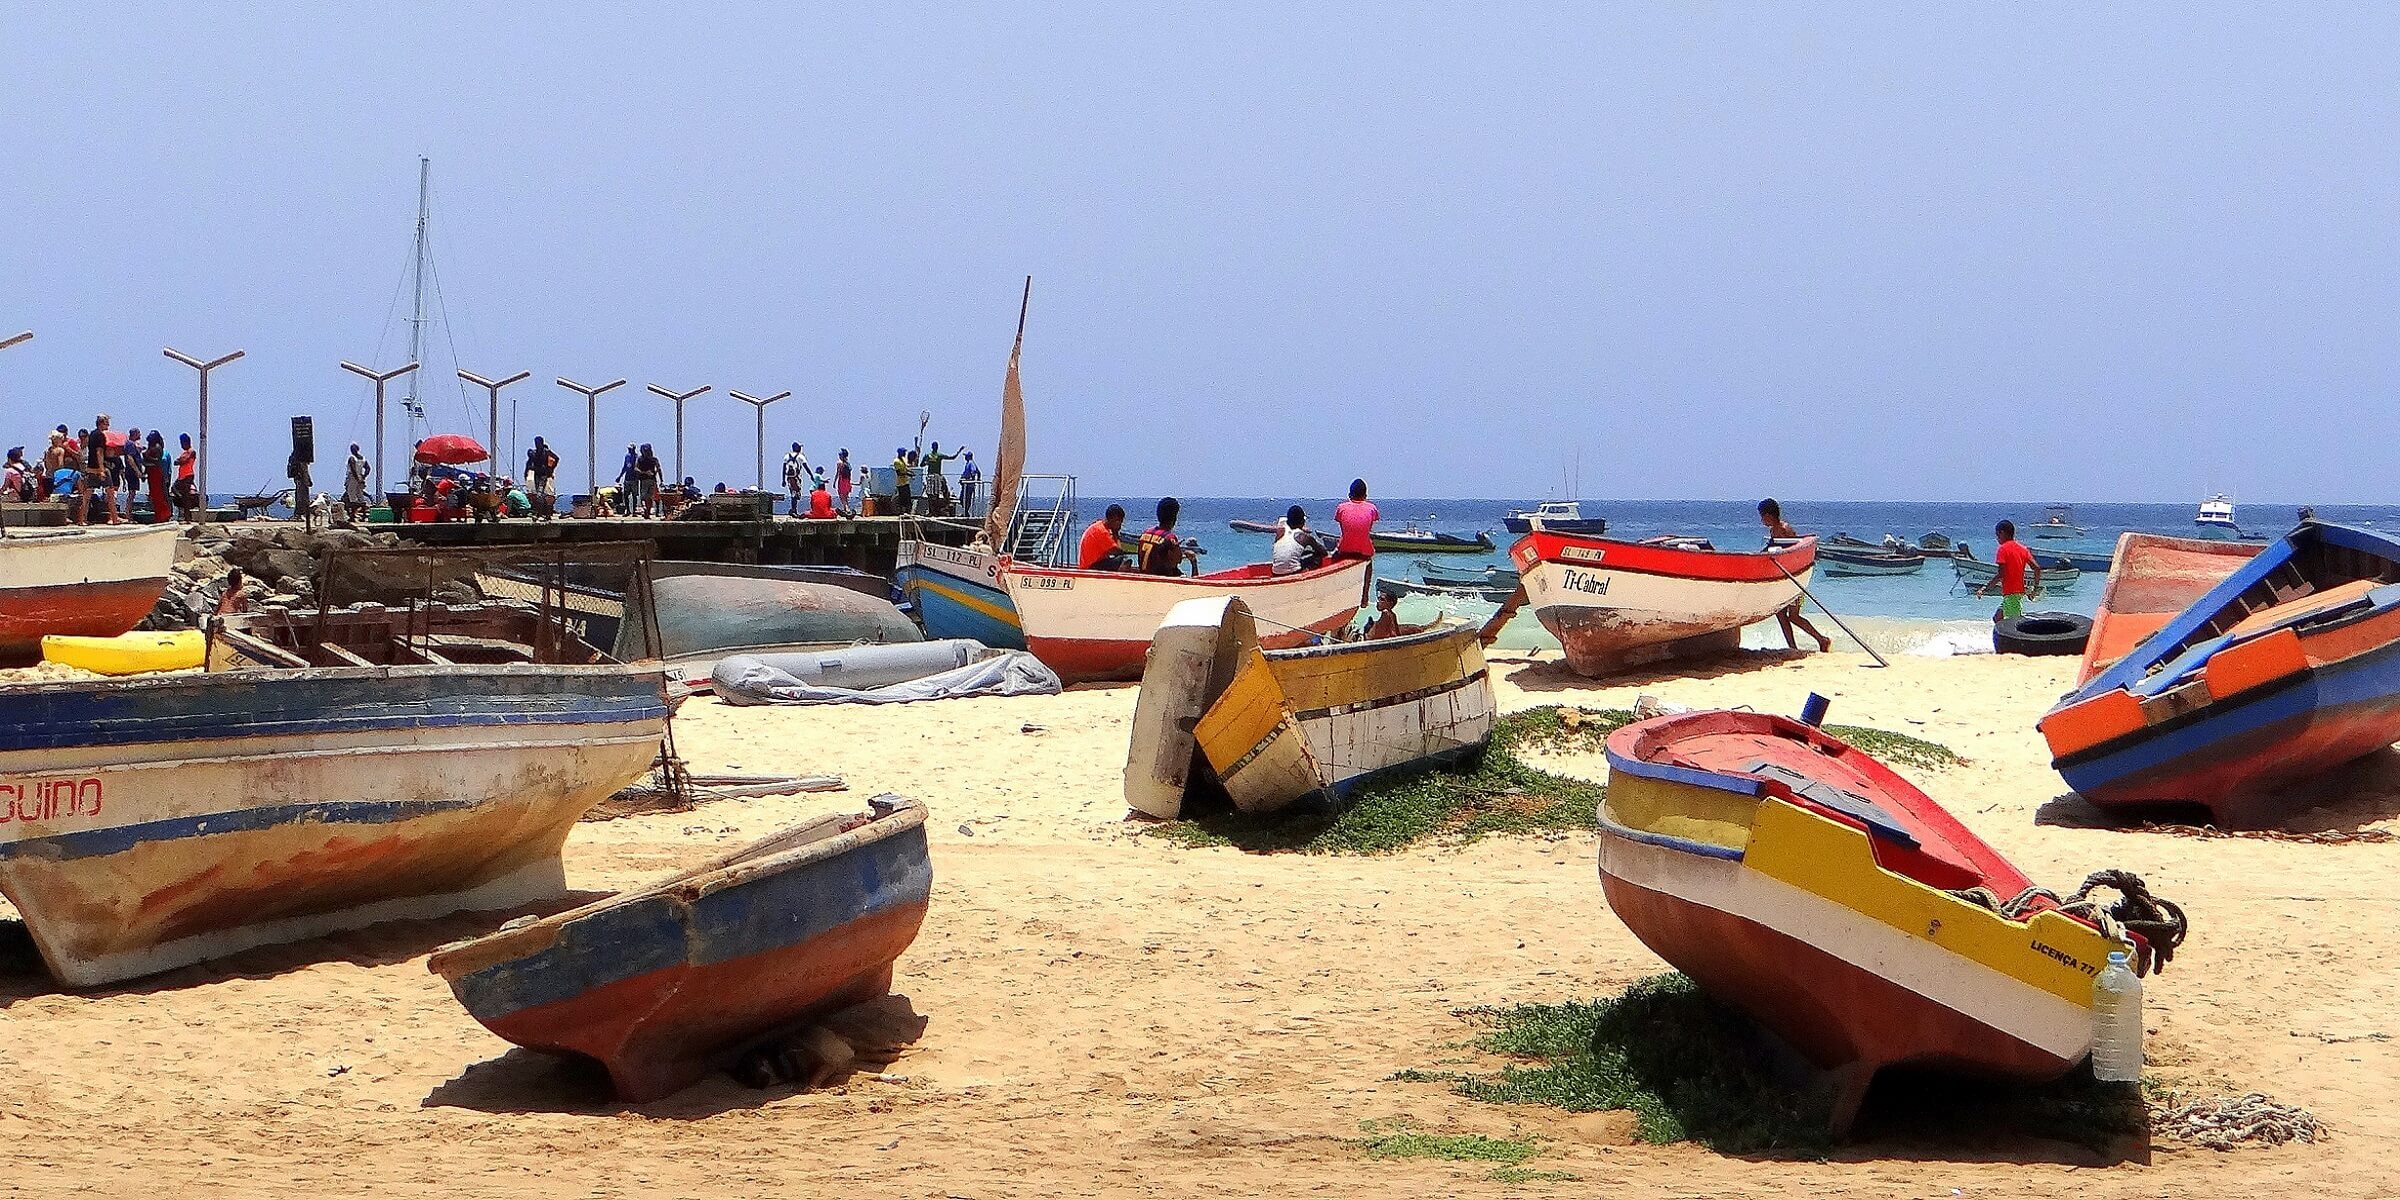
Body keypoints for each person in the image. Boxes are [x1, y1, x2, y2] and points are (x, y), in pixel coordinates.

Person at [1757, 498, 1831, 651]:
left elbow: (1794, 550)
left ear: (1769, 516)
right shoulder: (1773, 530)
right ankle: (1792, 647)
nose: (1761, 520)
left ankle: (1822, 640)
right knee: (1781, 614)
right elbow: (1772, 547)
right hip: (1786, 579)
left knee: (1794, 616)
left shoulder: (1785, 529)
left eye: (1762, 516)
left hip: (1795, 579)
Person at [1975, 518, 2043, 623]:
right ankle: (1999, 639)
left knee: (2015, 625)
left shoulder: (2002, 549)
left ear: (2002, 533)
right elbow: (2037, 569)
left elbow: (2001, 574)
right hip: (2015, 593)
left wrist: (1985, 588)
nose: (1997, 538)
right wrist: (2035, 588)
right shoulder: (2023, 549)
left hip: (2012, 594)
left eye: (1997, 535)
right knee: (1997, 618)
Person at [1139, 498, 1196, 576]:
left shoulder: (1145, 533)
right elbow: (1177, 560)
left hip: (1144, 574)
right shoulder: (1169, 537)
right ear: (1175, 517)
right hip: (1160, 579)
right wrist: (1193, 560)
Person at [1271, 505, 1329, 575]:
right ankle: (1307, 571)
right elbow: (1324, 552)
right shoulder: (1304, 537)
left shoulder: (1280, 532)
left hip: (1275, 572)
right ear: (1302, 521)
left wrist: (1305, 552)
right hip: (1293, 572)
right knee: (1317, 556)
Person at [1333, 478, 1378, 561]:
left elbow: (1343, 528)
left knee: (1334, 557)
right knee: (1369, 563)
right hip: (1365, 550)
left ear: (1349, 495)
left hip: (1345, 549)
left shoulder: (1341, 508)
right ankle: (1368, 573)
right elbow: (1369, 526)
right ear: (1365, 496)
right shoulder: (1372, 508)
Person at [1079, 504, 1132, 570]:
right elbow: (1118, 551)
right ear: (1115, 520)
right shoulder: (1102, 531)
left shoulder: (1099, 526)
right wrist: (1116, 533)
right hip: (1090, 567)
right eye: (1120, 522)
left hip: (1091, 564)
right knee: (1124, 560)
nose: (1120, 524)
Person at [921, 441, 963, 516]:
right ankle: (934, 511)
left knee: (932, 494)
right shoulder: (934, 455)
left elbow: (921, 465)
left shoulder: (931, 455)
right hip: (935, 475)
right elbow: (952, 457)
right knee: (934, 494)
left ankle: (933, 511)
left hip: (932, 475)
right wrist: (958, 452)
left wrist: (926, 463)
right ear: (937, 447)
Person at [525, 436, 559, 519]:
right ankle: (545, 513)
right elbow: (528, 464)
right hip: (537, 474)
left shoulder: (546, 452)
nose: (537, 445)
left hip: (544, 475)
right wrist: (526, 473)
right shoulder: (534, 453)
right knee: (539, 494)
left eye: (538, 443)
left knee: (539, 494)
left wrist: (550, 469)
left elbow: (556, 458)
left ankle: (539, 514)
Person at [341, 443, 372, 522]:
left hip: (353, 478)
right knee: (360, 496)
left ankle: (352, 515)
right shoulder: (363, 459)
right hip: (360, 478)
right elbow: (368, 468)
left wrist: (357, 478)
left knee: (352, 497)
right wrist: (363, 476)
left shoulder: (352, 458)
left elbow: (353, 469)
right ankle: (364, 515)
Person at [172, 434, 199, 522]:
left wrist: (180, 460)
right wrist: (179, 461)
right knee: (174, 489)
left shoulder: (191, 451)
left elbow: (183, 461)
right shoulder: (184, 453)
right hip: (181, 477)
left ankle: (188, 517)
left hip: (188, 476)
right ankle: (182, 503)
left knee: (185, 496)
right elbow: (176, 462)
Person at [144, 431, 169, 523]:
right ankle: (159, 514)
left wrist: (146, 456)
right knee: (154, 495)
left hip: (155, 472)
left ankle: (163, 514)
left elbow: (157, 461)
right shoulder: (151, 447)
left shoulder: (157, 447)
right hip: (151, 472)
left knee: (159, 494)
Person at [634, 444, 663, 517]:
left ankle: (647, 511)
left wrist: (643, 472)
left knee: (645, 497)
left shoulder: (641, 459)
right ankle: (647, 511)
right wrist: (661, 479)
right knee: (648, 497)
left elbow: (636, 468)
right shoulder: (651, 459)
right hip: (649, 480)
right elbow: (659, 469)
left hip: (647, 480)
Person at [782, 442, 811, 516]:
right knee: (796, 494)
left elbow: (784, 468)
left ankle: (793, 509)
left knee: (793, 493)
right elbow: (806, 467)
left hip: (789, 477)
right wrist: (811, 475)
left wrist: (783, 480)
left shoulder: (786, 456)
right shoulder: (800, 456)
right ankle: (794, 510)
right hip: (796, 477)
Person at [890, 447, 915, 515]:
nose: (905, 454)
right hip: (901, 483)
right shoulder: (896, 461)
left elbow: (905, 468)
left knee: (908, 499)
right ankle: (902, 512)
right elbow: (899, 473)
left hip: (905, 482)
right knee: (903, 499)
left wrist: (910, 471)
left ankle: (908, 512)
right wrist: (908, 474)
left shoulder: (903, 460)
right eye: (904, 452)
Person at [834, 449, 854, 516]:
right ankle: (846, 509)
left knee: (841, 496)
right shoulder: (848, 464)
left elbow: (837, 473)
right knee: (845, 497)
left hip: (842, 481)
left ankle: (847, 510)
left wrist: (834, 482)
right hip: (847, 481)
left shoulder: (839, 463)